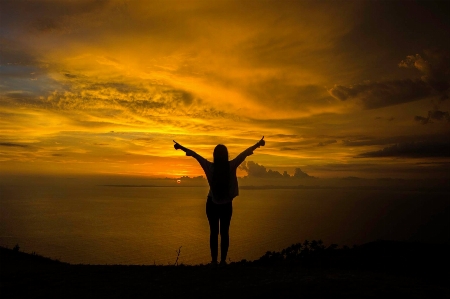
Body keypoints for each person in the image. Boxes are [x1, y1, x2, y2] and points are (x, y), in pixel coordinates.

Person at [173, 137, 265, 265]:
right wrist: (258, 144)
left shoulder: (210, 167)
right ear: (226, 155)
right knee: (224, 233)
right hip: (226, 205)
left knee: (214, 233)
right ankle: (222, 261)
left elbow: (194, 155)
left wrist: (180, 147)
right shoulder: (230, 166)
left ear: (214, 155)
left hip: (212, 204)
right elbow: (244, 154)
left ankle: (215, 261)